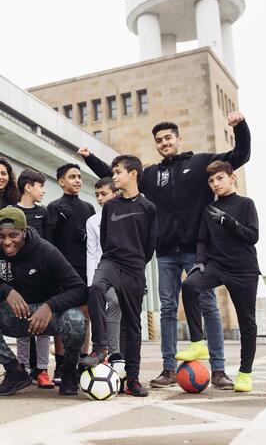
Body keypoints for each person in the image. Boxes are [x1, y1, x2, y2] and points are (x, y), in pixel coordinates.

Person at [79, 111, 251, 389]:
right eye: (159, 140)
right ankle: (169, 369)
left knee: (208, 305)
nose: (164, 143)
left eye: (168, 138)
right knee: (168, 308)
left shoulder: (200, 163)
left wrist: (240, 126)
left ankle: (218, 370)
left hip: (197, 251)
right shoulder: (151, 174)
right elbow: (117, 177)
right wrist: (89, 158)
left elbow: (240, 156)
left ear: (178, 139)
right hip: (167, 252)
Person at [0, 207, 87, 397]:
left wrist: (50, 306)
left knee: (76, 318)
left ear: (24, 231)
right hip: (15, 317)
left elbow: (80, 290)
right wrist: (4, 291)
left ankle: (70, 371)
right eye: (1, 236)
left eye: (13, 235)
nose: (7, 242)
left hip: (48, 317)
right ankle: (15, 371)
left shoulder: (46, 251)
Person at [177, 160, 260, 392]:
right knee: (190, 285)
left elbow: (253, 236)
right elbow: (202, 239)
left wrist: (229, 222)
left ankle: (245, 374)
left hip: (244, 270)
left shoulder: (246, 204)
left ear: (231, 178)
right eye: (211, 181)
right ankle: (197, 343)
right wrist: (200, 262)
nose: (215, 184)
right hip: (217, 265)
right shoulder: (209, 210)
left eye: (219, 178)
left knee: (247, 323)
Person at [82, 155, 157, 397]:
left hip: (134, 267)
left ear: (133, 174)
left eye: (118, 172)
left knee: (133, 325)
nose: (114, 177)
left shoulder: (148, 208)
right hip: (111, 261)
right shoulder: (111, 206)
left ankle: (133, 379)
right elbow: (105, 241)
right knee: (95, 289)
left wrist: (136, 263)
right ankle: (101, 346)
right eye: (113, 172)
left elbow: (149, 246)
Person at [47, 163, 95, 383]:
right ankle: (60, 364)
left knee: (85, 315)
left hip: (84, 268)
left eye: (79, 177)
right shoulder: (53, 207)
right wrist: (58, 223)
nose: (77, 180)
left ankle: (83, 361)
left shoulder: (88, 207)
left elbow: (96, 242)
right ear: (61, 181)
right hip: (61, 269)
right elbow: (48, 240)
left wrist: (86, 237)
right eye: (72, 177)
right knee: (61, 316)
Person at [13, 168, 54, 388]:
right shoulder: (10, 211)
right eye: (41, 186)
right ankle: (21, 368)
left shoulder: (44, 213)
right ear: (28, 187)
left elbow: (49, 245)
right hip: (19, 279)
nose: (44, 191)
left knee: (43, 326)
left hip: (42, 278)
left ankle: (42, 370)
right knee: (22, 323)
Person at [85, 177, 122, 358]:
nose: (100, 198)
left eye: (104, 193)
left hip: (126, 272)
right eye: (97, 194)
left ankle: (117, 354)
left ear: (115, 193)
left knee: (123, 311)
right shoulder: (92, 221)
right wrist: (92, 282)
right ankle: (108, 351)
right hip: (103, 273)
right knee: (113, 302)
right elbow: (91, 252)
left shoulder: (127, 214)